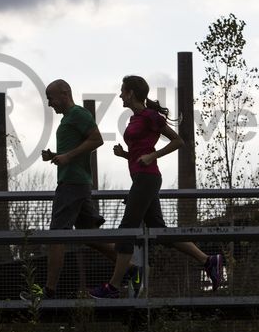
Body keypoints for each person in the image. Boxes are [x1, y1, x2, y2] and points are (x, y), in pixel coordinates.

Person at [89, 75, 223, 299]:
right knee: (159, 231)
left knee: (126, 231)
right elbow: (140, 154)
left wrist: (153, 155)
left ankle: (113, 287)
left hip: (147, 179)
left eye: (123, 91)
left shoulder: (150, 116)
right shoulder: (134, 119)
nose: (120, 95)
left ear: (131, 92)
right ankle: (208, 260)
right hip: (141, 178)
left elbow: (178, 141)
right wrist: (126, 155)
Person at [39, 79, 140, 299]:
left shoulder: (78, 114)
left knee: (55, 236)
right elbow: (77, 150)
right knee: (92, 237)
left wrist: (67, 156)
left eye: (51, 98)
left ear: (65, 94)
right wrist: (57, 155)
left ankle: (49, 291)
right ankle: (132, 269)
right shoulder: (68, 119)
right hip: (77, 182)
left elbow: (97, 140)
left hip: (73, 184)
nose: (50, 104)